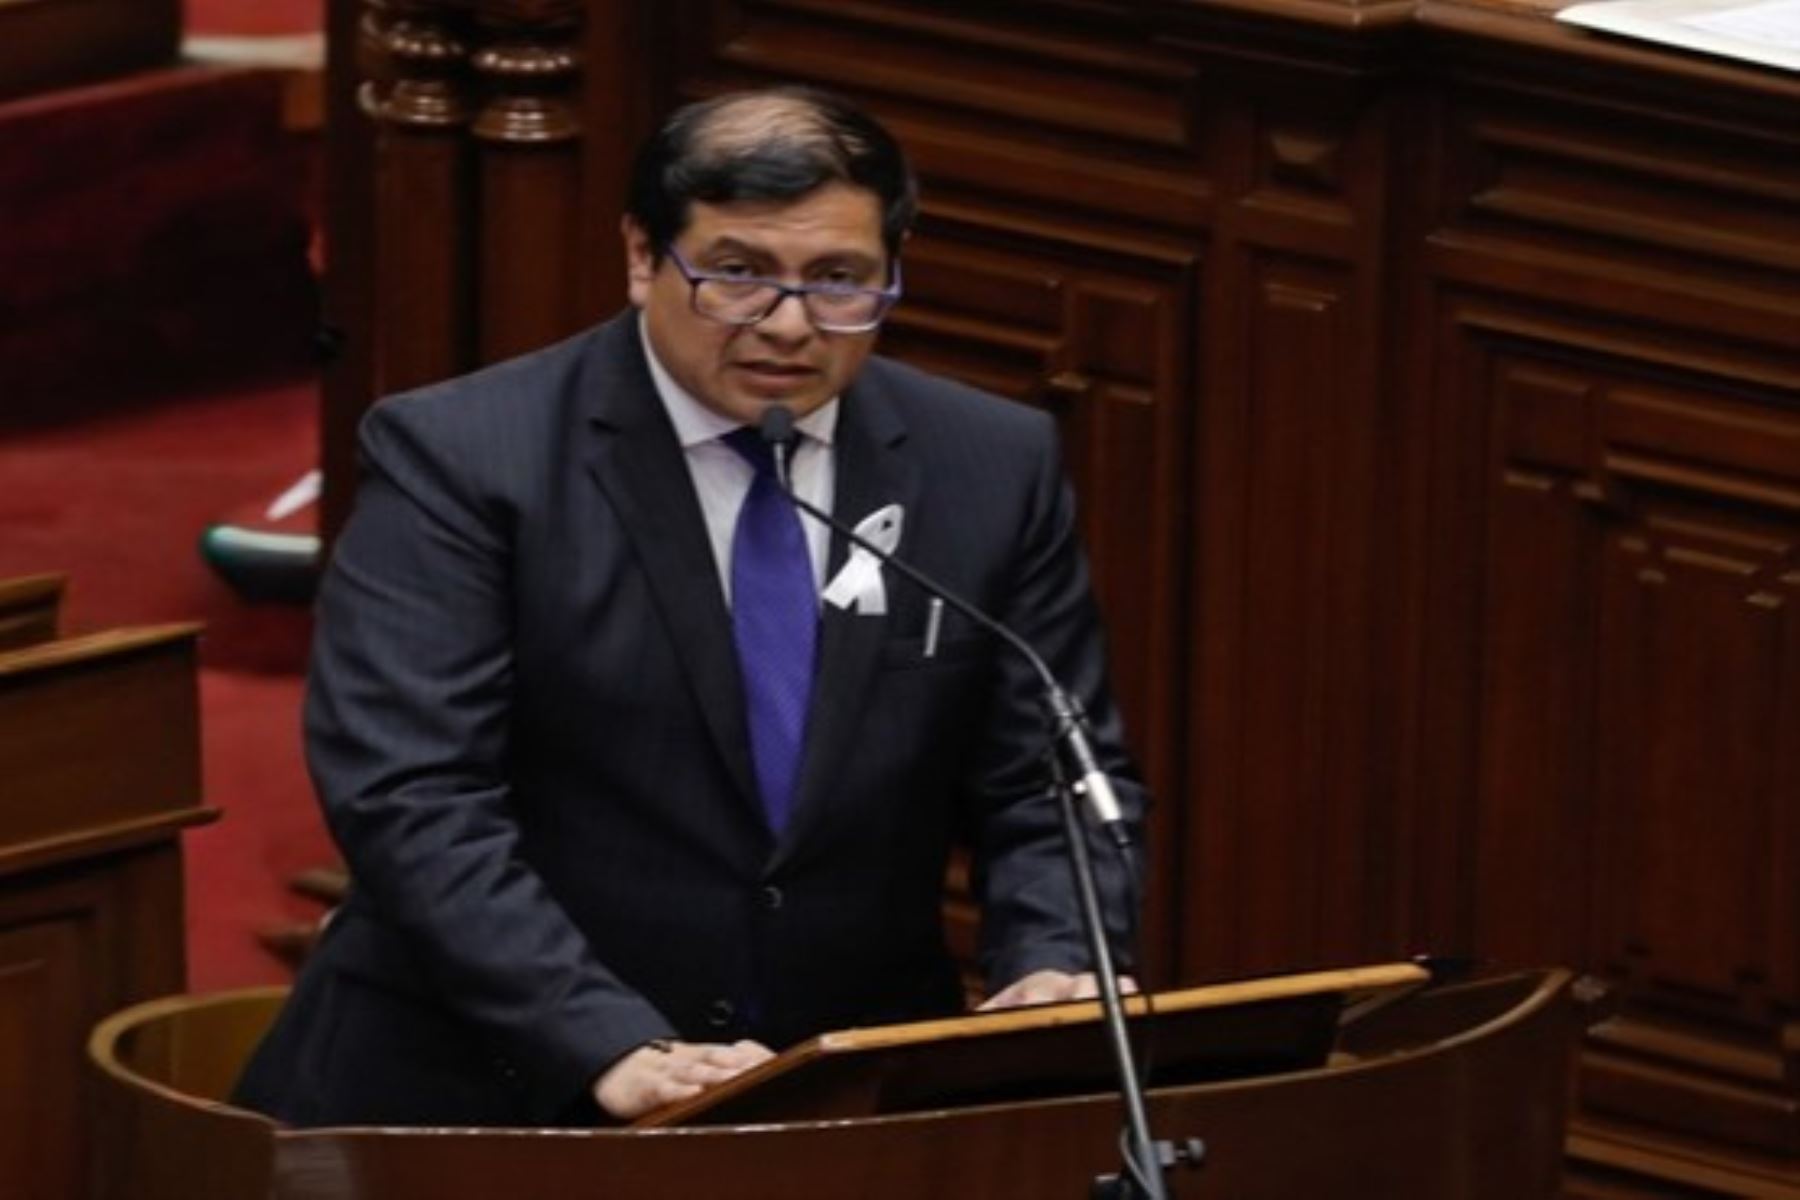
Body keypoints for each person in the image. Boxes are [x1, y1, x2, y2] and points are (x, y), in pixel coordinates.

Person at [231, 85, 1146, 1128]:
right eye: (740, 275)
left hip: (836, 1102)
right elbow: (412, 793)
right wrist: (604, 1038)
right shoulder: (466, 458)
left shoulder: (989, 463)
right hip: (492, 1097)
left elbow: (1053, 778)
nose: (790, 326)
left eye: (840, 281)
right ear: (640, 257)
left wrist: (1056, 960)